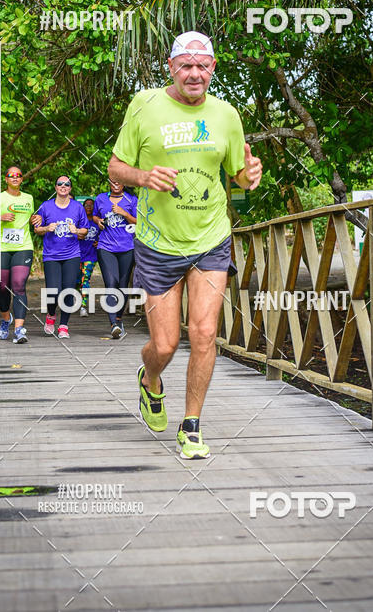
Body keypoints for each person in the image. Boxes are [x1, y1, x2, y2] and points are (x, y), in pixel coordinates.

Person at [108, 31, 262, 458]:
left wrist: (250, 175)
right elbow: (115, 167)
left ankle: (191, 425)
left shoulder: (227, 115)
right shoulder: (144, 106)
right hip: (158, 241)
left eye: (202, 65)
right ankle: (150, 380)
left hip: (210, 238)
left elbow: (239, 177)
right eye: (186, 65)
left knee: (205, 334)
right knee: (164, 345)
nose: (194, 73)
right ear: (170, 67)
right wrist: (143, 177)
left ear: (213, 69)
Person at [0, 165, 40, 344]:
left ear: (22, 179)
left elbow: (32, 219)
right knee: (2, 286)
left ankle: (19, 329)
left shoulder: (28, 198)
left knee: (19, 285)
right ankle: (6, 319)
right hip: (0, 247)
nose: (15, 178)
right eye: (11, 175)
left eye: (18, 175)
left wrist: (36, 219)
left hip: (23, 246)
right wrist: (0, 218)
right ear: (6, 179)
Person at [33, 175, 88, 338]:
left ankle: (63, 325)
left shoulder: (78, 207)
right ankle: (50, 316)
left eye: (67, 184)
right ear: (55, 187)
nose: (63, 186)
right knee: (53, 291)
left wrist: (76, 231)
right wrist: (46, 228)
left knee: (68, 290)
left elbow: (85, 231)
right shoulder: (46, 206)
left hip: (72, 254)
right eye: (60, 184)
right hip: (51, 255)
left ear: (70, 188)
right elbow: (36, 228)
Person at [93, 179, 138, 339]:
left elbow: (139, 221)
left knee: (123, 286)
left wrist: (124, 213)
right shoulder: (101, 198)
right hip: (106, 247)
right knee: (111, 283)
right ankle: (113, 324)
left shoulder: (131, 199)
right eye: (113, 180)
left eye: (119, 180)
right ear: (109, 182)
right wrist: (98, 221)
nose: (116, 183)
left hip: (127, 247)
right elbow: (95, 215)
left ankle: (119, 319)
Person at [77, 198, 99, 316]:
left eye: (91, 205)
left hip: (91, 255)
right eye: (86, 205)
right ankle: (78, 298)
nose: (89, 207)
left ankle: (83, 306)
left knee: (85, 279)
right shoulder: (79, 221)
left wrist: (99, 241)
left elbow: (104, 234)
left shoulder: (97, 222)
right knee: (76, 280)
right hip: (76, 254)